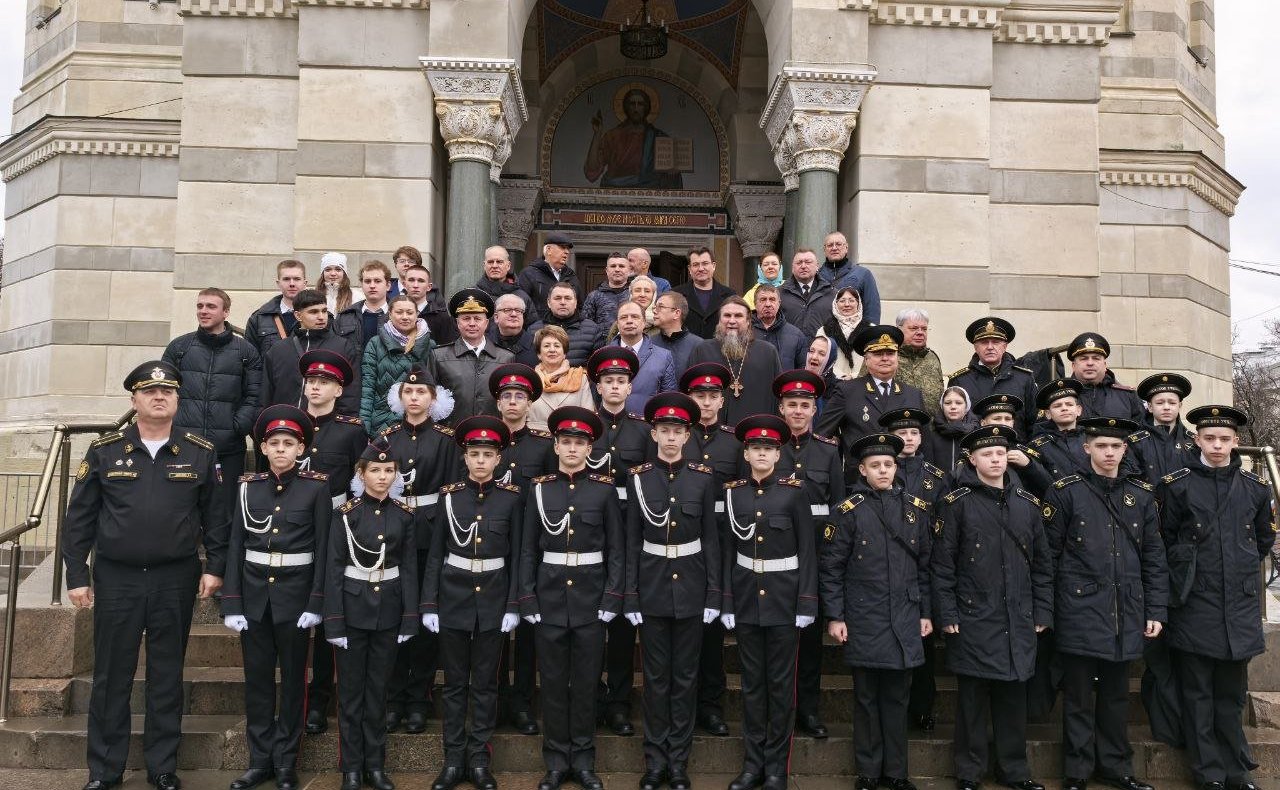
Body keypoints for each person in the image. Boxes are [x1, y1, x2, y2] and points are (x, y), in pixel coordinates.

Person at [62, 361, 228, 790]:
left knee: (167, 674)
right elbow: (79, 519)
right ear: (133, 400)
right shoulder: (105, 450)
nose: (159, 397)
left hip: (176, 577)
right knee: (111, 675)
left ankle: (162, 766)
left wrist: (217, 568)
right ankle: (104, 770)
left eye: (168, 392)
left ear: (177, 400)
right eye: (150, 392)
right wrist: (77, 575)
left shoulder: (199, 451)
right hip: (118, 578)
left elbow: (216, 518)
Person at [1042, 417, 1167, 790]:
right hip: (1079, 608)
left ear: (1125, 449)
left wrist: (1156, 609)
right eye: (1101, 446)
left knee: (1115, 696)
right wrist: (1049, 611)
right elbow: (1048, 557)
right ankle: (1077, 771)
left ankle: (1116, 767)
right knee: (1078, 695)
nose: (1109, 452)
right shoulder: (1065, 492)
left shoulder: (1141, 495)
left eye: (1116, 446)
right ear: (1087, 448)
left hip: (1126, 609)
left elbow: (1154, 556)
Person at [1157, 404, 1273, 790]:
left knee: (1231, 696)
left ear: (1236, 442)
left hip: (1237, 606)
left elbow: (1261, 539)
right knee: (1197, 694)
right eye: (1210, 438)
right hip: (1195, 603)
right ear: (1197, 440)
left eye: (1225, 439)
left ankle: (1236, 771)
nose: (1218, 445)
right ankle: (1207, 773)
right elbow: (1166, 537)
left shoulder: (1255, 490)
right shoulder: (1177, 485)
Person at [931, 424, 1053, 790]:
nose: (996, 459)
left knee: (1013, 698)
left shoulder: (1028, 505)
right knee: (972, 701)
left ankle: (1014, 770)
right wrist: (947, 614)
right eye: (987, 454)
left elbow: (1044, 565)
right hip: (972, 616)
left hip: (1018, 617)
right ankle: (969, 771)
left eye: (1001, 453)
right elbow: (942, 565)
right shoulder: (956, 504)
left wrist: (1043, 612)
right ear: (972, 459)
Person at [222, 405, 331, 790]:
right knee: (258, 682)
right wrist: (231, 602)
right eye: (274, 443)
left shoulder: (316, 487)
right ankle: (260, 759)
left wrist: (316, 601)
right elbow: (236, 545)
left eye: (289, 443)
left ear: (301, 449)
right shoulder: (247, 487)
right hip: (253, 599)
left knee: (293, 685)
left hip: (296, 599)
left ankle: (286, 760)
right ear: (263, 448)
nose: (281, 449)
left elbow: (323, 548)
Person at [518, 406, 625, 790]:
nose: (572, 449)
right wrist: (527, 598)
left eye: (579, 443)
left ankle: (583, 760)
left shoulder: (604, 489)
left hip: (591, 601)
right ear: (557, 446)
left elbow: (616, 549)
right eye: (566, 442)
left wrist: (612, 598)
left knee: (585, 684)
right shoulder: (540, 488)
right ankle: (555, 762)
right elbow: (528, 548)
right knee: (552, 683)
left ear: (589, 447)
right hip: (548, 600)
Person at [822, 432, 932, 790]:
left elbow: (926, 567)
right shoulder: (847, 512)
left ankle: (897, 773)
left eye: (888, 464)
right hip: (863, 617)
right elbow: (832, 568)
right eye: (875, 466)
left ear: (896, 467)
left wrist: (926, 613)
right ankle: (868, 772)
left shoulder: (915, 510)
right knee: (867, 700)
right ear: (863, 470)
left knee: (897, 699)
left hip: (904, 615)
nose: (883, 470)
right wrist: (836, 616)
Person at [420, 416, 524, 790]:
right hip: (453, 597)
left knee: (484, 683)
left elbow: (517, 556)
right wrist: (429, 604)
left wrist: (513, 604)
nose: (480, 461)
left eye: (487, 455)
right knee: (454, 684)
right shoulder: (448, 496)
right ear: (465, 457)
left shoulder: (512, 498)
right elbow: (435, 555)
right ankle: (453, 760)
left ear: (499, 460)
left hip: (494, 598)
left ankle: (479, 760)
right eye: (474, 454)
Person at [625, 392, 720, 790]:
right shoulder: (638, 477)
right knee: (656, 679)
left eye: (677, 431)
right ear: (654, 432)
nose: (669, 438)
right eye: (663, 430)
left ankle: (678, 762)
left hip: (693, 585)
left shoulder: (703, 477)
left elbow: (713, 541)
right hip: (652, 587)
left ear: (687, 436)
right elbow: (631, 540)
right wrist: (630, 595)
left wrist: (714, 595)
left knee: (685, 678)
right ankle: (655, 759)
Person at [720, 414, 818, 790]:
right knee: (751, 685)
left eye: (769, 449)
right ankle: (753, 764)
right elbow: (729, 551)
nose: (762, 454)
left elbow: (807, 551)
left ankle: (777, 767)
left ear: (778, 456)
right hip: (746, 599)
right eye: (756, 448)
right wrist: (727, 602)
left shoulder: (794, 492)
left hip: (784, 600)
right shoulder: (733, 492)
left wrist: (807, 602)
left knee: (780, 687)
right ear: (746, 453)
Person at [324, 439, 417, 790]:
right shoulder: (345, 515)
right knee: (350, 694)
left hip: (389, 612)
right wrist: (333, 619)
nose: (382, 477)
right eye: (375, 470)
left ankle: (374, 765)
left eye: (388, 471)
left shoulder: (405, 515)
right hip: (350, 610)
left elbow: (408, 568)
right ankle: (351, 767)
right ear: (360, 474)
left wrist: (410, 617)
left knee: (378, 692)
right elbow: (333, 568)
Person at [381, 365, 460, 735]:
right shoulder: (386, 437)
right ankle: (394, 696)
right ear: (400, 398)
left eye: (422, 393)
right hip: (393, 533)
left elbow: (451, 492)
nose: (414, 398)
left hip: (430, 531)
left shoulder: (446, 440)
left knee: (426, 617)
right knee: (396, 615)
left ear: (434, 399)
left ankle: (420, 697)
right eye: (409, 393)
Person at [294, 350, 367, 737]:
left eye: (325, 382)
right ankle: (294, 695)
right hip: (292, 529)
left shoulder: (352, 430)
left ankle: (319, 699)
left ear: (339, 389)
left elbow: (360, 481)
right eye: (312, 381)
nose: (316, 387)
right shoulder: (287, 425)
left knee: (326, 613)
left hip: (335, 529)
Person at [585, 346, 654, 735]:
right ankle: (593, 695)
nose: (614, 387)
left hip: (630, 530)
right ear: (597, 387)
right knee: (594, 621)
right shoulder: (585, 427)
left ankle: (619, 703)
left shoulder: (644, 430)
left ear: (630, 387)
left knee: (625, 624)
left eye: (621, 382)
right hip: (592, 530)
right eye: (607, 381)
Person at [775, 370, 845, 740]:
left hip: (815, 556)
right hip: (776, 555)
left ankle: (809, 710)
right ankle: (781, 709)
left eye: (805, 405)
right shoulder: (768, 448)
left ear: (814, 409)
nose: (798, 411)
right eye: (792, 405)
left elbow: (837, 508)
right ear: (781, 408)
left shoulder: (828, 450)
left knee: (811, 642)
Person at [488, 364, 555, 735]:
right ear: (498, 403)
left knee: (528, 629)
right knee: (495, 628)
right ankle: (495, 699)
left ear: (530, 403)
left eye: (520, 397)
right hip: (494, 547)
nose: (513, 402)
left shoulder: (544, 445)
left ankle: (523, 703)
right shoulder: (484, 443)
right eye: (507, 396)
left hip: (531, 547)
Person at [679, 363, 743, 737]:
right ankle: (686, 704)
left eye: (712, 396)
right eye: (699, 395)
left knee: (713, 629)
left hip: (721, 538)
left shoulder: (735, 442)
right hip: (683, 540)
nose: (706, 402)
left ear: (722, 399)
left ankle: (711, 706)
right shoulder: (677, 437)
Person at [163, 287, 262, 515]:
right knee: (181, 510)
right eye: (200, 306)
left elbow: (255, 396)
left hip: (227, 448)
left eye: (211, 306)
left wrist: (237, 427)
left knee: (223, 513)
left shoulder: (245, 351)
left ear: (226, 312)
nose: (203, 311)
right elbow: (164, 391)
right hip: (184, 445)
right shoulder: (179, 348)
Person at [876, 408, 945, 733]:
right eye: (901, 434)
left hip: (925, 565)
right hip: (889, 566)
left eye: (914, 433)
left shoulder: (936, 476)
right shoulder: (880, 471)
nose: (908, 438)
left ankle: (922, 707)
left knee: (924, 643)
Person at [816, 325, 927, 480]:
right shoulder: (847, 391)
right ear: (866, 360)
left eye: (890, 353)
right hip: (858, 482)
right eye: (878, 353)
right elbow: (822, 435)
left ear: (897, 357)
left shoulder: (913, 394)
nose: (885, 358)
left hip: (904, 482)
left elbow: (923, 443)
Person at [262, 288, 362, 414]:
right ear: (298, 315)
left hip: (327, 427)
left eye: (324, 311)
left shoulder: (343, 347)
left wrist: (341, 428)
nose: (321, 317)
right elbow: (266, 394)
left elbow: (351, 393)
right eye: (313, 312)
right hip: (286, 426)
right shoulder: (278, 350)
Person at [686, 297, 783, 426]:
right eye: (727, 315)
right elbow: (690, 393)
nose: (732, 321)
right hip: (711, 432)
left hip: (756, 433)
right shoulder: (703, 350)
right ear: (719, 321)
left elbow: (779, 395)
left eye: (738, 316)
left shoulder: (768, 352)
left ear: (748, 321)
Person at [432, 289, 514, 422]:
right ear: (458, 323)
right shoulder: (439, 356)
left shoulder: (505, 358)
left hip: (491, 433)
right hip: (451, 434)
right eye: (466, 318)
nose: (472, 323)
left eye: (477, 318)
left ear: (486, 323)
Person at [948, 317, 1039, 435]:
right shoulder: (960, 381)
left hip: (1016, 450)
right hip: (975, 450)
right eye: (984, 342)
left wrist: (1025, 452)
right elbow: (953, 423)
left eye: (996, 342)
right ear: (975, 347)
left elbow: (1036, 422)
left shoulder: (1024, 378)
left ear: (1005, 346)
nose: (990, 347)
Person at [361, 294, 436, 434]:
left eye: (409, 312)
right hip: (381, 423)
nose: (405, 317)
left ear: (417, 314)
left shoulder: (429, 346)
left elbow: (433, 388)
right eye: (399, 312)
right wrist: (364, 425)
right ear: (390, 314)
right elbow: (367, 388)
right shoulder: (375, 344)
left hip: (418, 422)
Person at [584, 87, 681, 189]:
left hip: (650, 194)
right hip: (615, 193)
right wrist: (597, 134)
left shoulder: (659, 137)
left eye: (640, 104)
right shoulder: (612, 136)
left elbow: (673, 171)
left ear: (646, 108)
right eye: (632, 104)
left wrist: (673, 170)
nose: (636, 108)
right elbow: (592, 172)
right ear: (626, 107)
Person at [1128, 373, 1196, 482]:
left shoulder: (1193, 442)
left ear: (1180, 406)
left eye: (1172, 403)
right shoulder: (1135, 443)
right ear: (1150, 407)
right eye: (1160, 403)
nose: (1166, 407)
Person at [610, 300, 676, 412]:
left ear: (644, 322)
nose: (629, 321)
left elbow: (668, 399)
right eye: (624, 317)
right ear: (617, 323)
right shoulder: (603, 355)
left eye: (635, 317)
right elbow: (597, 396)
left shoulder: (663, 357)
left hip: (647, 426)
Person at [527, 325, 595, 431]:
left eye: (557, 346)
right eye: (546, 346)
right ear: (539, 354)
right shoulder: (529, 381)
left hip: (569, 441)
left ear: (564, 353)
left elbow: (588, 415)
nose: (552, 350)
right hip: (535, 440)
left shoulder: (580, 378)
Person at [1066, 333, 1145, 423]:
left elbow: (1142, 431)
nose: (1090, 363)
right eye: (1084, 359)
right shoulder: (1061, 397)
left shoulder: (1128, 396)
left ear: (1105, 365)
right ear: (1073, 366)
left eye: (1096, 358)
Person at [1027, 378, 1090, 480]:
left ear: (1079, 410)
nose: (1064, 408)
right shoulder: (1038, 446)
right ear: (1048, 414)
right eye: (1057, 406)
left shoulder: (1092, 439)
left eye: (1069, 404)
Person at [518, 233, 583, 323]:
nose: (567, 252)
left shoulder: (571, 276)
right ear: (549, 250)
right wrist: (536, 327)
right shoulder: (529, 274)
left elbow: (580, 306)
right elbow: (521, 306)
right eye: (562, 247)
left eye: (568, 249)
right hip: (540, 331)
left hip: (568, 331)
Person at [673, 247, 737, 339]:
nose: (701, 268)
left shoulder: (729, 295)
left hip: (718, 349)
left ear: (713, 266)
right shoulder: (676, 294)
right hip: (687, 351)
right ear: (689, 269)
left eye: (705, 264)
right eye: (695, 265)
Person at [246, 260, 307, 355]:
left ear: (305, 283)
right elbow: (250, 358)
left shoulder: (320, 316)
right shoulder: (259, 317)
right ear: (278, 283)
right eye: (286, 279)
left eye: (297, 279)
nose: (292, 283)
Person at [818, 231, 881, 323]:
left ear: (846, 248)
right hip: (822, 333)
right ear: (824, 250)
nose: (834, 248)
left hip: (854, 333)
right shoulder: (816, 276)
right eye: (830, 245)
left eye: (838, 244)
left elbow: (872, 310)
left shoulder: (863, 274)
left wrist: (869, 335)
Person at [892, 309, 944, 417]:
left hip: (931, 428)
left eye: (924, 329)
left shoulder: (932, 357)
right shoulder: (886, 356)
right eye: (914, 328)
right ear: (899, 330)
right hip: (899, 426)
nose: (920, 332)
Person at [817, 286, 872, 382]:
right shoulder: (824, 331)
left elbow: (875, 357)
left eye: (851, 300)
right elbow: (819, 357)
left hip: (863, 382)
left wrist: (855, 376)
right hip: (832, 382)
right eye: (842, 301)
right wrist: (840, 376)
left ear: (858, 303)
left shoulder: (871, 330)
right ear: (835, 304)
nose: (847, 304)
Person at [778, 247, 835, 338]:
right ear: (793, 268)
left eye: (808, 262)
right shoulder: (779, 294)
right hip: (790, 349)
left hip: (821, 350)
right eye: (799, 263)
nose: (803, 266)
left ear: (817, 266)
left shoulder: (831, 293)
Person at [543, 282, 601, 368]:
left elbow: (598, 367)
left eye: (567, 298)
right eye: (558, 298)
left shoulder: (593, 330)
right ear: (549, 302)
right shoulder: (535, 330)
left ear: (575, 303)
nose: (563, 302)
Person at [752, 285, 808, 371]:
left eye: (772, 299)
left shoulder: (797, 335)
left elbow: (801, 371)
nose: (768, 304)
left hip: (783, 384)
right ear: (755, 304)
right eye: (763, 300)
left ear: (779, 303)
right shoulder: (744, 331)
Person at [923, 386, 977, 472]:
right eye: (948, 403)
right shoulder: (931, 434)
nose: (953, 407)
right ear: (942, 406)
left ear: (966, 406)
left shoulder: (976, 435)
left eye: (958, 403)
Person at [401, 263, 456, 345]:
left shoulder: (442, 317)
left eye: (421, 281)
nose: (415, 285)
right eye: (411, 280)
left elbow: (446, 350)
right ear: (404, 285)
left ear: (429, 287)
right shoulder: (394, 314)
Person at [652, 290, 703, 374]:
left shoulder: (698, 345)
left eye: (660, 307)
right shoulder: (649, 343)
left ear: (676, 313)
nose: (654, 311)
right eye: (654, 307)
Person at [476, 245, 534, 316]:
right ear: (484, 265)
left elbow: (533, 324)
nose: (494, 266)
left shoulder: (522, 297)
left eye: (499, 262)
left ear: (508, 266)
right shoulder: (473, 295)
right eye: (490, 262)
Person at [487, 293, 540, 366]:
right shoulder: (485, 344)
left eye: (518, 310)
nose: (514, 314)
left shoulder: (537, 345)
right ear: (496, 317)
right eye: (507, 310)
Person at [582, 252, 633, 328]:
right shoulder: (594, 296)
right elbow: (586, 324)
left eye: (621, 266)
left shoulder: (635, 293)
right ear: (606, 270)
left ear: (629, 271)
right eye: (613, 266)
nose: (617, 269)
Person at [351, 261, 392, 350]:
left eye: (377, 281)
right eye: (367, 281)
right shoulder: (346, 316)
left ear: (388, 285)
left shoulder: (400, 315)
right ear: (361, 285)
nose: (372, 286)